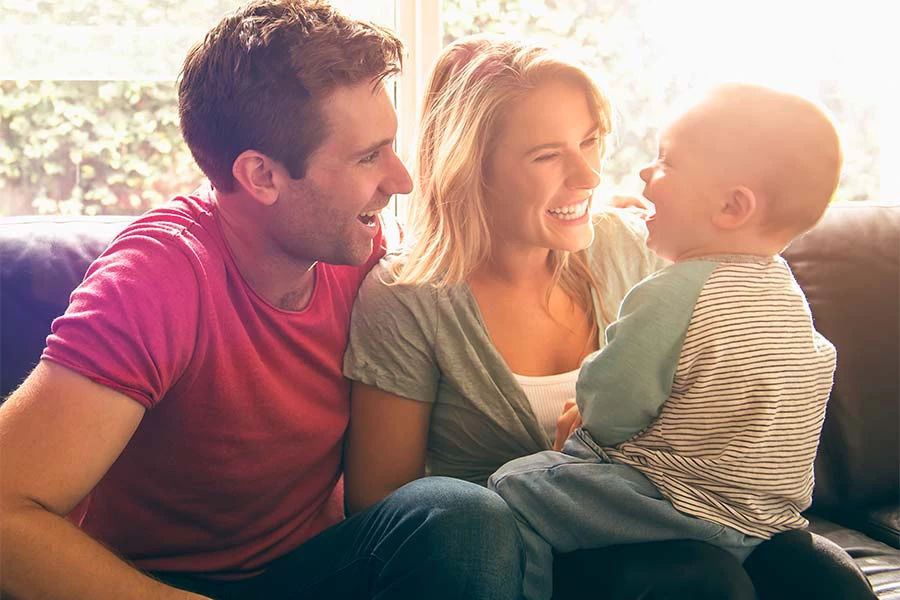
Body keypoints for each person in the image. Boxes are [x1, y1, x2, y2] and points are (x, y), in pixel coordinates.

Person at [0, 3, 525, 599]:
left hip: (317, 567)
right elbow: (5, 512)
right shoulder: (156, 279)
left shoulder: (362, 252)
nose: (401, 180)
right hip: (162, 581)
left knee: (458, 515)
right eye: (367, 156)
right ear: (261, 176)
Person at [342, 35, 757, 599]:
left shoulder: (630, 251)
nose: (587, 176)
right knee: (703, 581)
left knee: (816, 571)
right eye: (547, 155)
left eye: (589, 142)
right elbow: (388, 509)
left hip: (661, 529)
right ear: (472, 168)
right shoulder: (407, 295)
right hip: (512, 564)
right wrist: (564, 463)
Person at [487, 82, 843, 600]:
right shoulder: (787, 294)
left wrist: (584, 411)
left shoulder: (675, 291)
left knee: (513, 487)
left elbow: (610, 408)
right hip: (766, 520)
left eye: (666, 162)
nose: (645, 174)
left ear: (731, 207)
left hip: (675, 504)